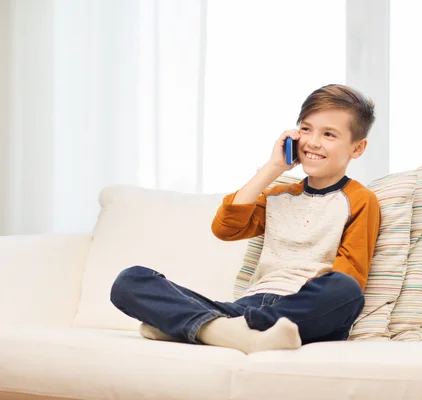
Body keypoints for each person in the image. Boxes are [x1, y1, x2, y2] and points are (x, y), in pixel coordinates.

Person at [110, 84, 381, 354]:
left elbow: (350, 274)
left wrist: (299, 301)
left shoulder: (359, 199)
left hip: (302, 311)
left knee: (345, 290)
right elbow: (225, 228)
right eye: (306, 129)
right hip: (248, 307)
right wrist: (273, 167)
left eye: (329, 134)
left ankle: (197, 326)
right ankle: (229, 331)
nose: (313, 142)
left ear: (357, 148)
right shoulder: (278, 195)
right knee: (130, 281)